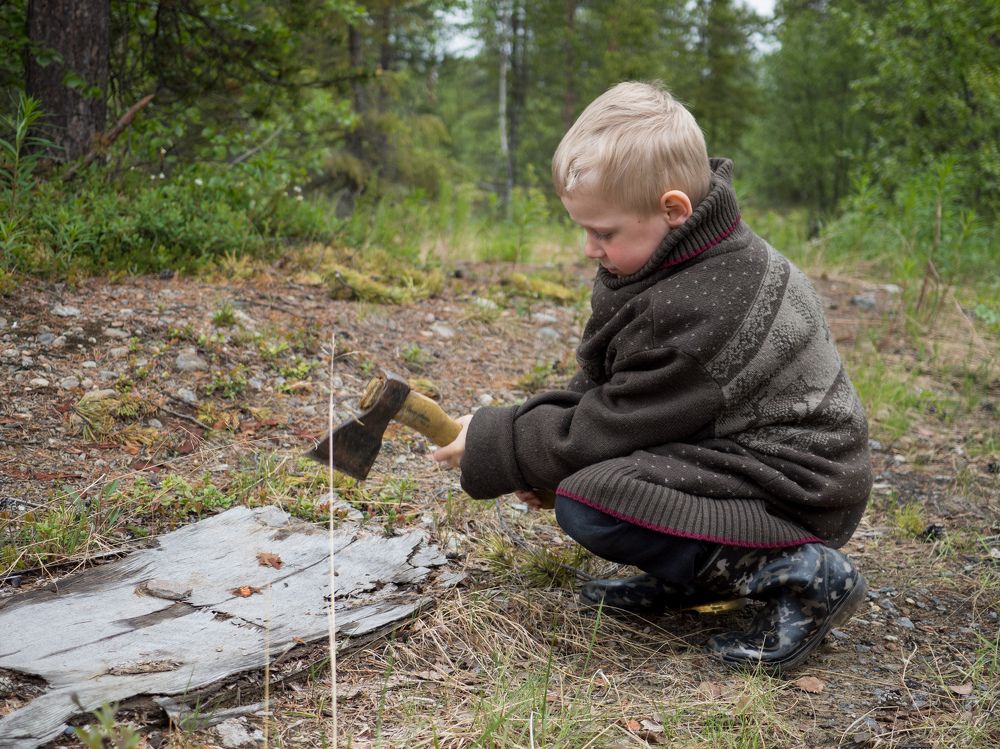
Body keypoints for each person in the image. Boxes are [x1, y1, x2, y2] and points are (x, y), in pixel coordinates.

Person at [432, 81, 872, 673]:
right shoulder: (684, 261)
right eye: (584, 229)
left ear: (672, 209)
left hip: (799, 486)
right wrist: (531, 449)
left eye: (604, 232)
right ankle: (694, 576)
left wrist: (503, 442)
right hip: (737, 449)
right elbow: (615, 387)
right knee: (586, 476)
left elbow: (615, 419)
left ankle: (800, 573)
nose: (590, 247)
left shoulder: (706, 302)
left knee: (592, 502)